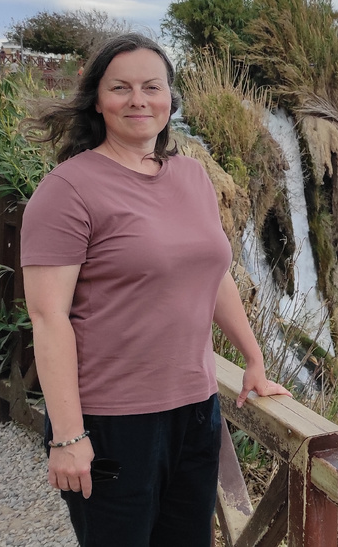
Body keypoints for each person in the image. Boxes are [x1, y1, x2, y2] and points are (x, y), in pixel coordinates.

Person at [21, 33, 289, 546]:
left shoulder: (190, 175)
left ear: (170, 98)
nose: (138, 100)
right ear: (97, 101)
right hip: (113, 420)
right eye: (121, 87)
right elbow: (48, 317)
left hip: (197, 408)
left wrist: (253, 358)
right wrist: (68, 435)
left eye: (152, 86)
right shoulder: (67, 190)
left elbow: (213, 276)